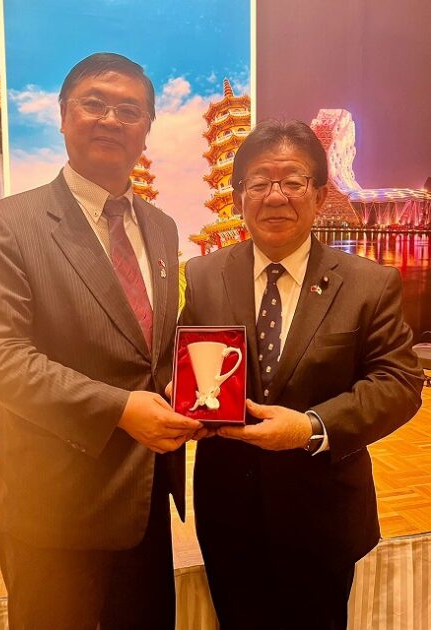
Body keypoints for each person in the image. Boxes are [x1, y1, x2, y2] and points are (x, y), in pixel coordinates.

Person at [0, 52, 202, 630]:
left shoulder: (161, 226)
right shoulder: (7, 226)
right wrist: (118, 408)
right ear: (64, 115)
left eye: (130, 110)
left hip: (146, 496)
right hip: (55, 506)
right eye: (94, 104)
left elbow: (149, 345)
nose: (111, 119)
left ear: (146, 128)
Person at [180, 120, 423, 630]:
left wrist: (311, 427)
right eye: (259, 182)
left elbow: (399, 383)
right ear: (239, 196)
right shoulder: (203, 276)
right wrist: (178, 393)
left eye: (293, 181)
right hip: (229, 513)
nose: (275, 196)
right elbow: (186, 362)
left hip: (323, 515)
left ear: (318, 195)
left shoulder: (368, 283)